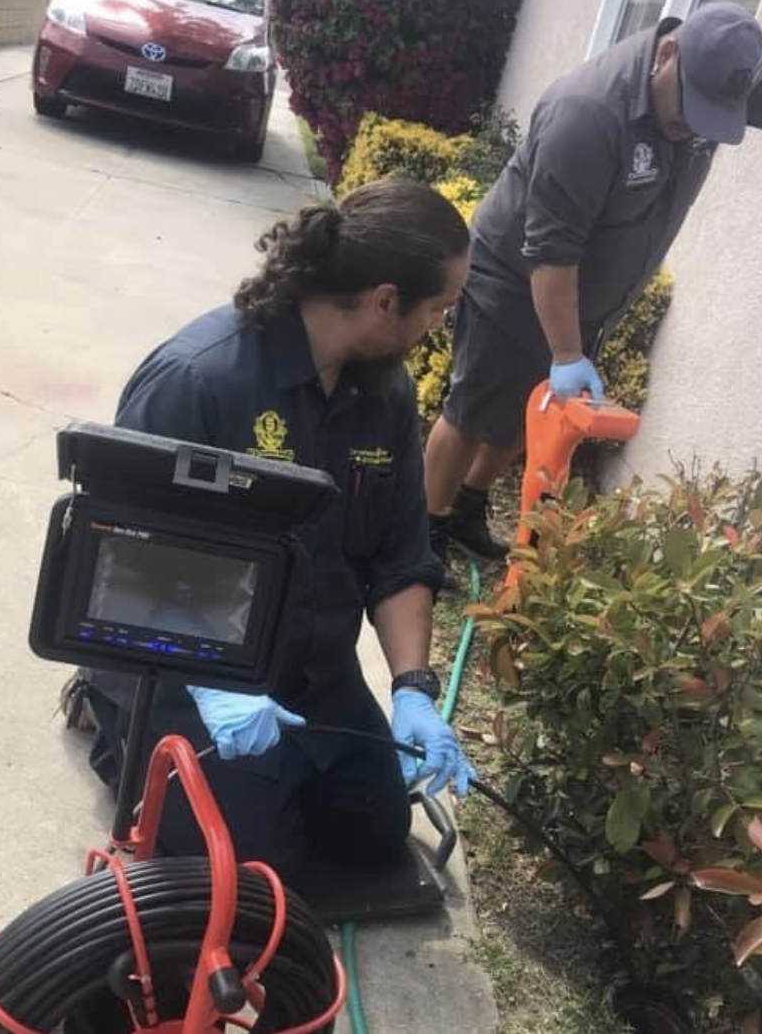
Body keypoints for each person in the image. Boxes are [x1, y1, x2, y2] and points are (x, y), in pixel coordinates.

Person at [80, 177, 477, 889]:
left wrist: (413, 690)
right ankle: (112, 722)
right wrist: (209, 683)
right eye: (437, 310)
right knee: (258, 874)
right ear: (385, 301)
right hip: (189, 673)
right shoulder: (198, 380)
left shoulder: (385, 395)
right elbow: (120, 560)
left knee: (373, 832)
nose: (435, 328)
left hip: (312, 672)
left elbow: (400, 556)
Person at [425, 2, 762, 577]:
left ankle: (468, 507)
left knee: (532, 407)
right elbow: (551, 250)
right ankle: (426, 531)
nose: (696, 129)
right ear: (667, 55)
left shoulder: (721, 74)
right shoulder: (586, 115)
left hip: (582, 292)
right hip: (517, 275)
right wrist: (566, 353)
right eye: (691, 111)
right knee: (473, 409)